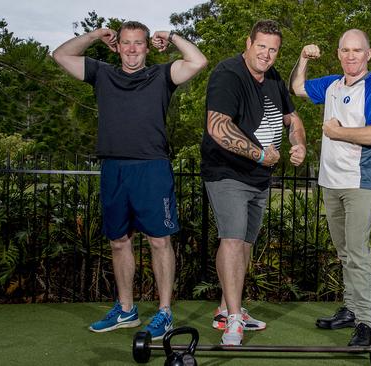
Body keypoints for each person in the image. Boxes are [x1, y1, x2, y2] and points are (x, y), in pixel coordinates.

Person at [52, 21, 208, 340]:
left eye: (139, 43)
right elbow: (60, 55)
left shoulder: (161, 75)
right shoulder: (102, 73)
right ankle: (126, 309)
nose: (133, 48)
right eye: (127, 43)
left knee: (159, 241)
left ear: (148, 47)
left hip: (152, 167)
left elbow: (198, 61)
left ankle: (164, 312)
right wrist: (96, 35)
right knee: (118, 241)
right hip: (114, 168)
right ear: (118, 46)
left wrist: (173, 37)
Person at [200, 19, 306, 346]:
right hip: (228, 172)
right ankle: (233, 319)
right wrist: (260, 155)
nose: (267, 54)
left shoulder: (272, 77)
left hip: (260, 179)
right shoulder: (227, 75)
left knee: (244, 245)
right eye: (261, 46)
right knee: (231, 240)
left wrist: (298, 143)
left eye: (273, 49)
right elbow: (218, 128)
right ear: (248, 43)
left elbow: (293, 119)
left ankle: (225, 308)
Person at [290, 29, 371, 346]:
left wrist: (340, 132)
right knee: (345, 251)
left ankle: (366, 323)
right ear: (338, 54)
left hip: (358, 181)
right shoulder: (333, 84)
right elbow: (296, 87)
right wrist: (303, 58)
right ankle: (350, 309)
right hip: (330, 181)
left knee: (359, 252)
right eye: (345, 50)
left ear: (369, 54)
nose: (351, 56)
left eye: (357, 51)